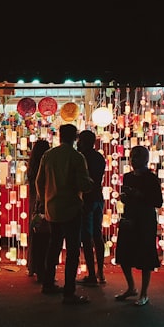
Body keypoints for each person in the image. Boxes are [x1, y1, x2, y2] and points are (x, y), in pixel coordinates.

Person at [36, 124, 93, 305]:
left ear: (60, 137)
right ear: (75, 138)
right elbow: (83, 183)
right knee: (73, 250)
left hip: (52, 208)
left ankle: (48, 283)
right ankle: (69, 292)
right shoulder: (77, 157)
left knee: (54, 247)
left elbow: (39, 181)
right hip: (71, 208)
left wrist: (44, 201)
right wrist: (90, 184)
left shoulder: (48, 155)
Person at [115, 146, 163, 306]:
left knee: (145, 256)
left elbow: (158, 202)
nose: (134, 159)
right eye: (132, 156)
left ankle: (144, 293)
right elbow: (127, 197)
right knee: (124, 253)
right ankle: (131, 287)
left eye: (137, 156)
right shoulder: (128, 177)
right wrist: (124, 197)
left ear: (145, 159)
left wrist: (140, 195)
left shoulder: (151, 178)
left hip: (145, 219)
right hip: (129, 216)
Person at [76, 130, 107, 286]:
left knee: (87, 237)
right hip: (98, 197)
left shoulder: (81, 158)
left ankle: (92, 275)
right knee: (97, 234)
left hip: (87, 198)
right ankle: (100, 272)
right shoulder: (100, 157)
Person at [26, 139, 51, 282]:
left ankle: (32, 266)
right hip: (45, 201)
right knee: (46, 235)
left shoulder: (32, 167)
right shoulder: (46, 166)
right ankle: (43, 267)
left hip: (34, 202)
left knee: (35, 232)